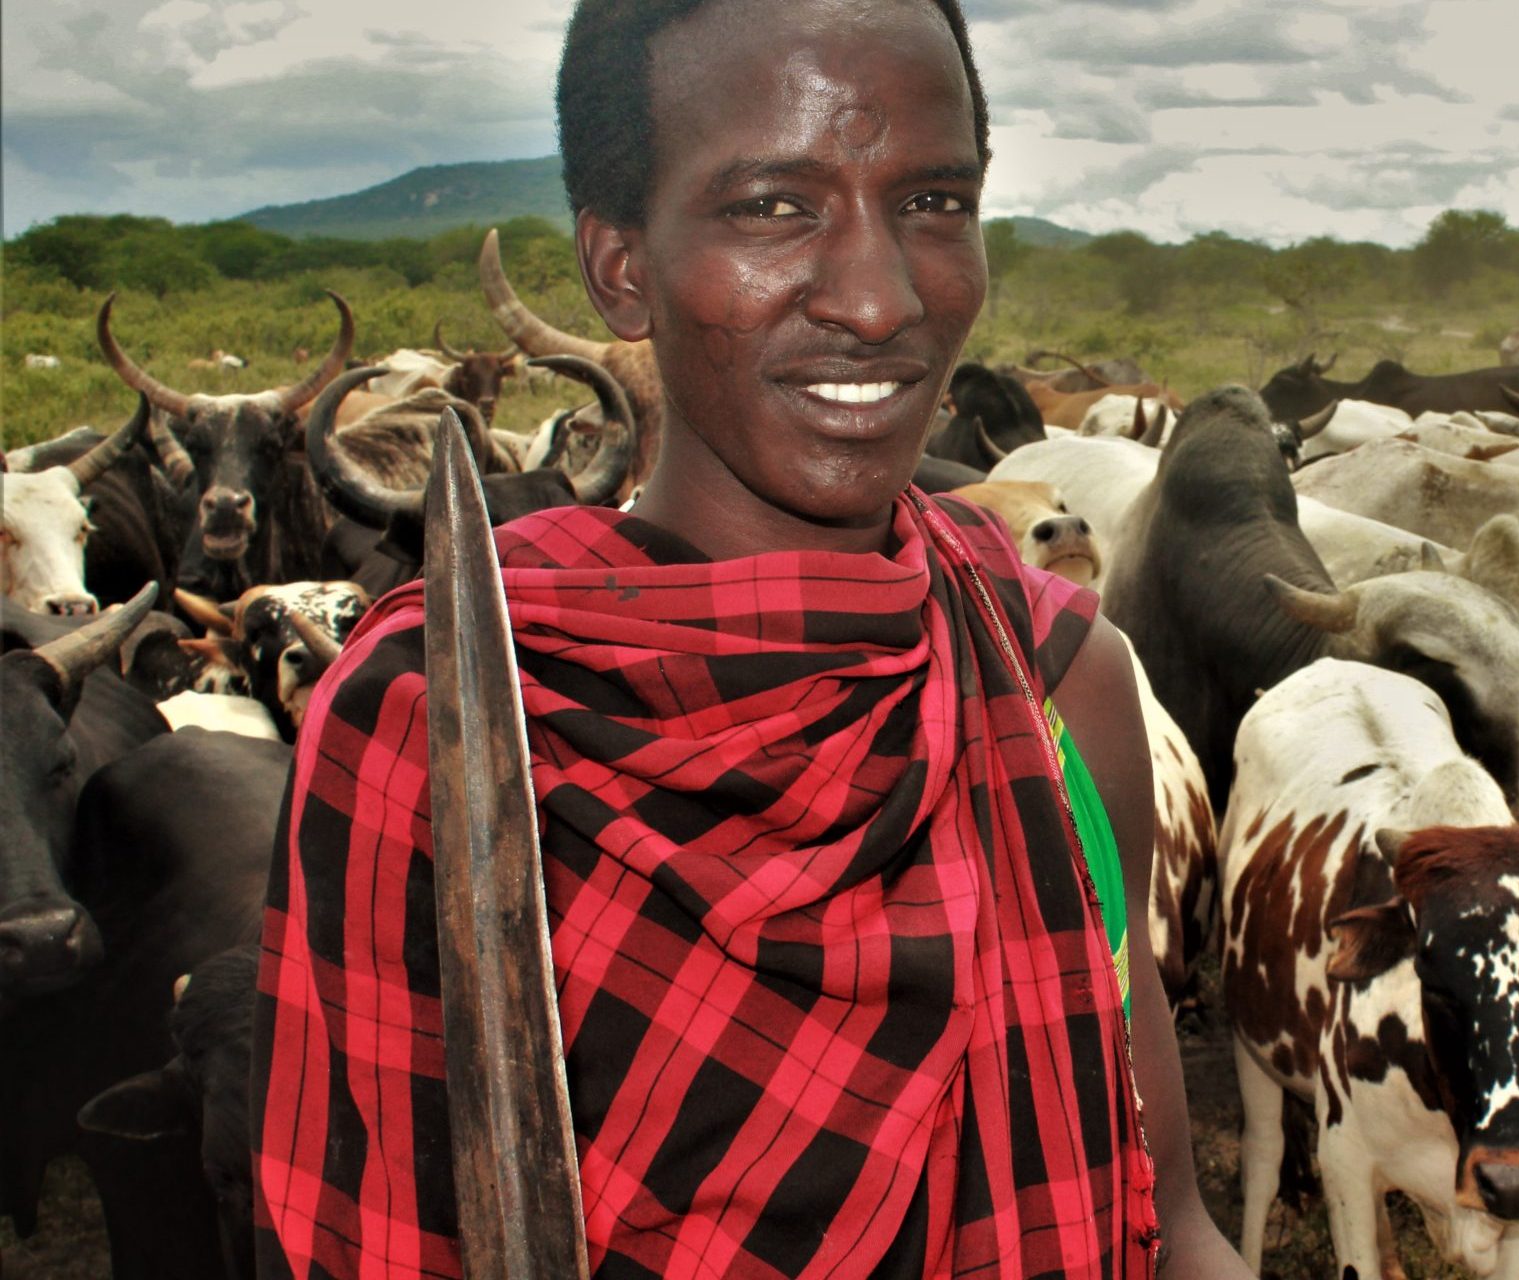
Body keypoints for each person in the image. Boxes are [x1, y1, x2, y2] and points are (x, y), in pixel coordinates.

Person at [249, 1, 1254, 1276]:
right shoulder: (440, 717)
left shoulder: (1059, 686)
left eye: (934, 202)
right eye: (774, 207)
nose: (882, 301)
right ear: (622, 268)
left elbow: (1170, 1221)